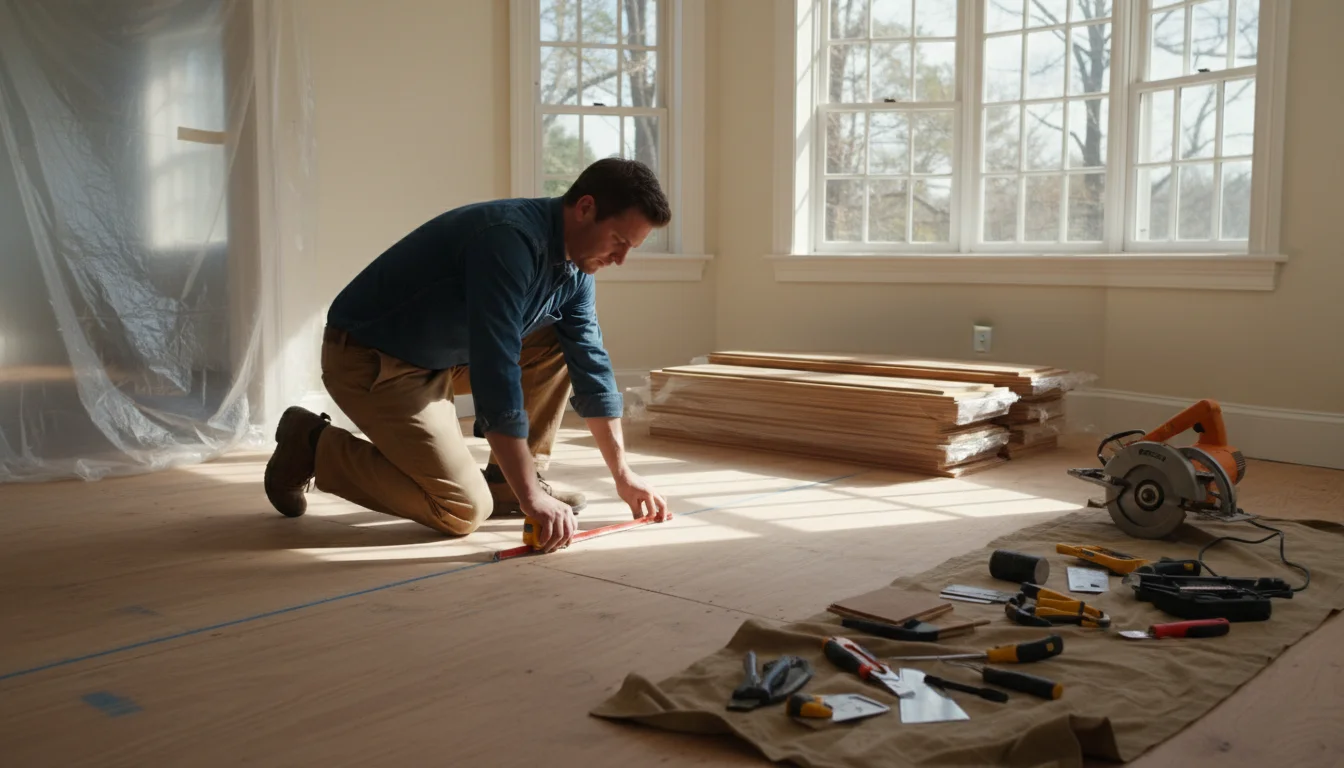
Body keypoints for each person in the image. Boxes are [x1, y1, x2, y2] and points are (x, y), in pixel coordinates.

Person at [262, 158, 673, 552]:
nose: (621, 259)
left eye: (631, 248)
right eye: (619, 241)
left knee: (559, 342)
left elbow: (591, 364)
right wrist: (532, 497)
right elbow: (497, 368)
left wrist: (623, 475)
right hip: (373, 358)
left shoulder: (576, 270)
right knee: (461, 509)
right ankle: (311, 444)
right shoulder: (508, 241)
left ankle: (506, 482)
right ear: (585, 208)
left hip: (441, 357)